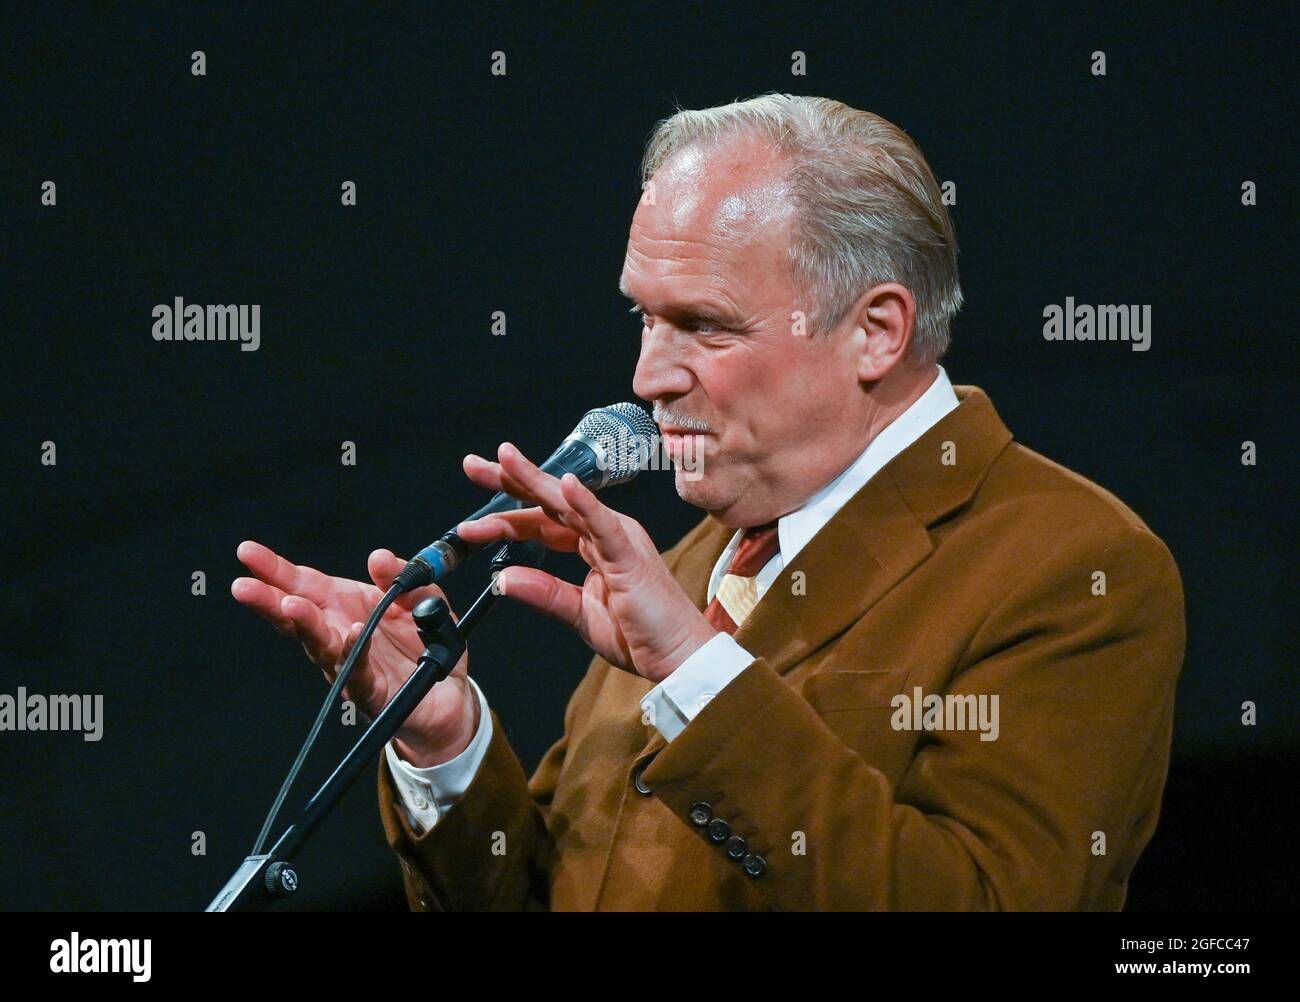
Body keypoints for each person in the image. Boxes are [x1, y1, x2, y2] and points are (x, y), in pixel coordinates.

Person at [232, 94, 1185, 910]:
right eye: (643, 316)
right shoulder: (699, 563)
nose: (648, 374)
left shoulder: (1074, 565)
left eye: (703, 326)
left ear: (876, 331)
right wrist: (447, 742)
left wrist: (696, 665)